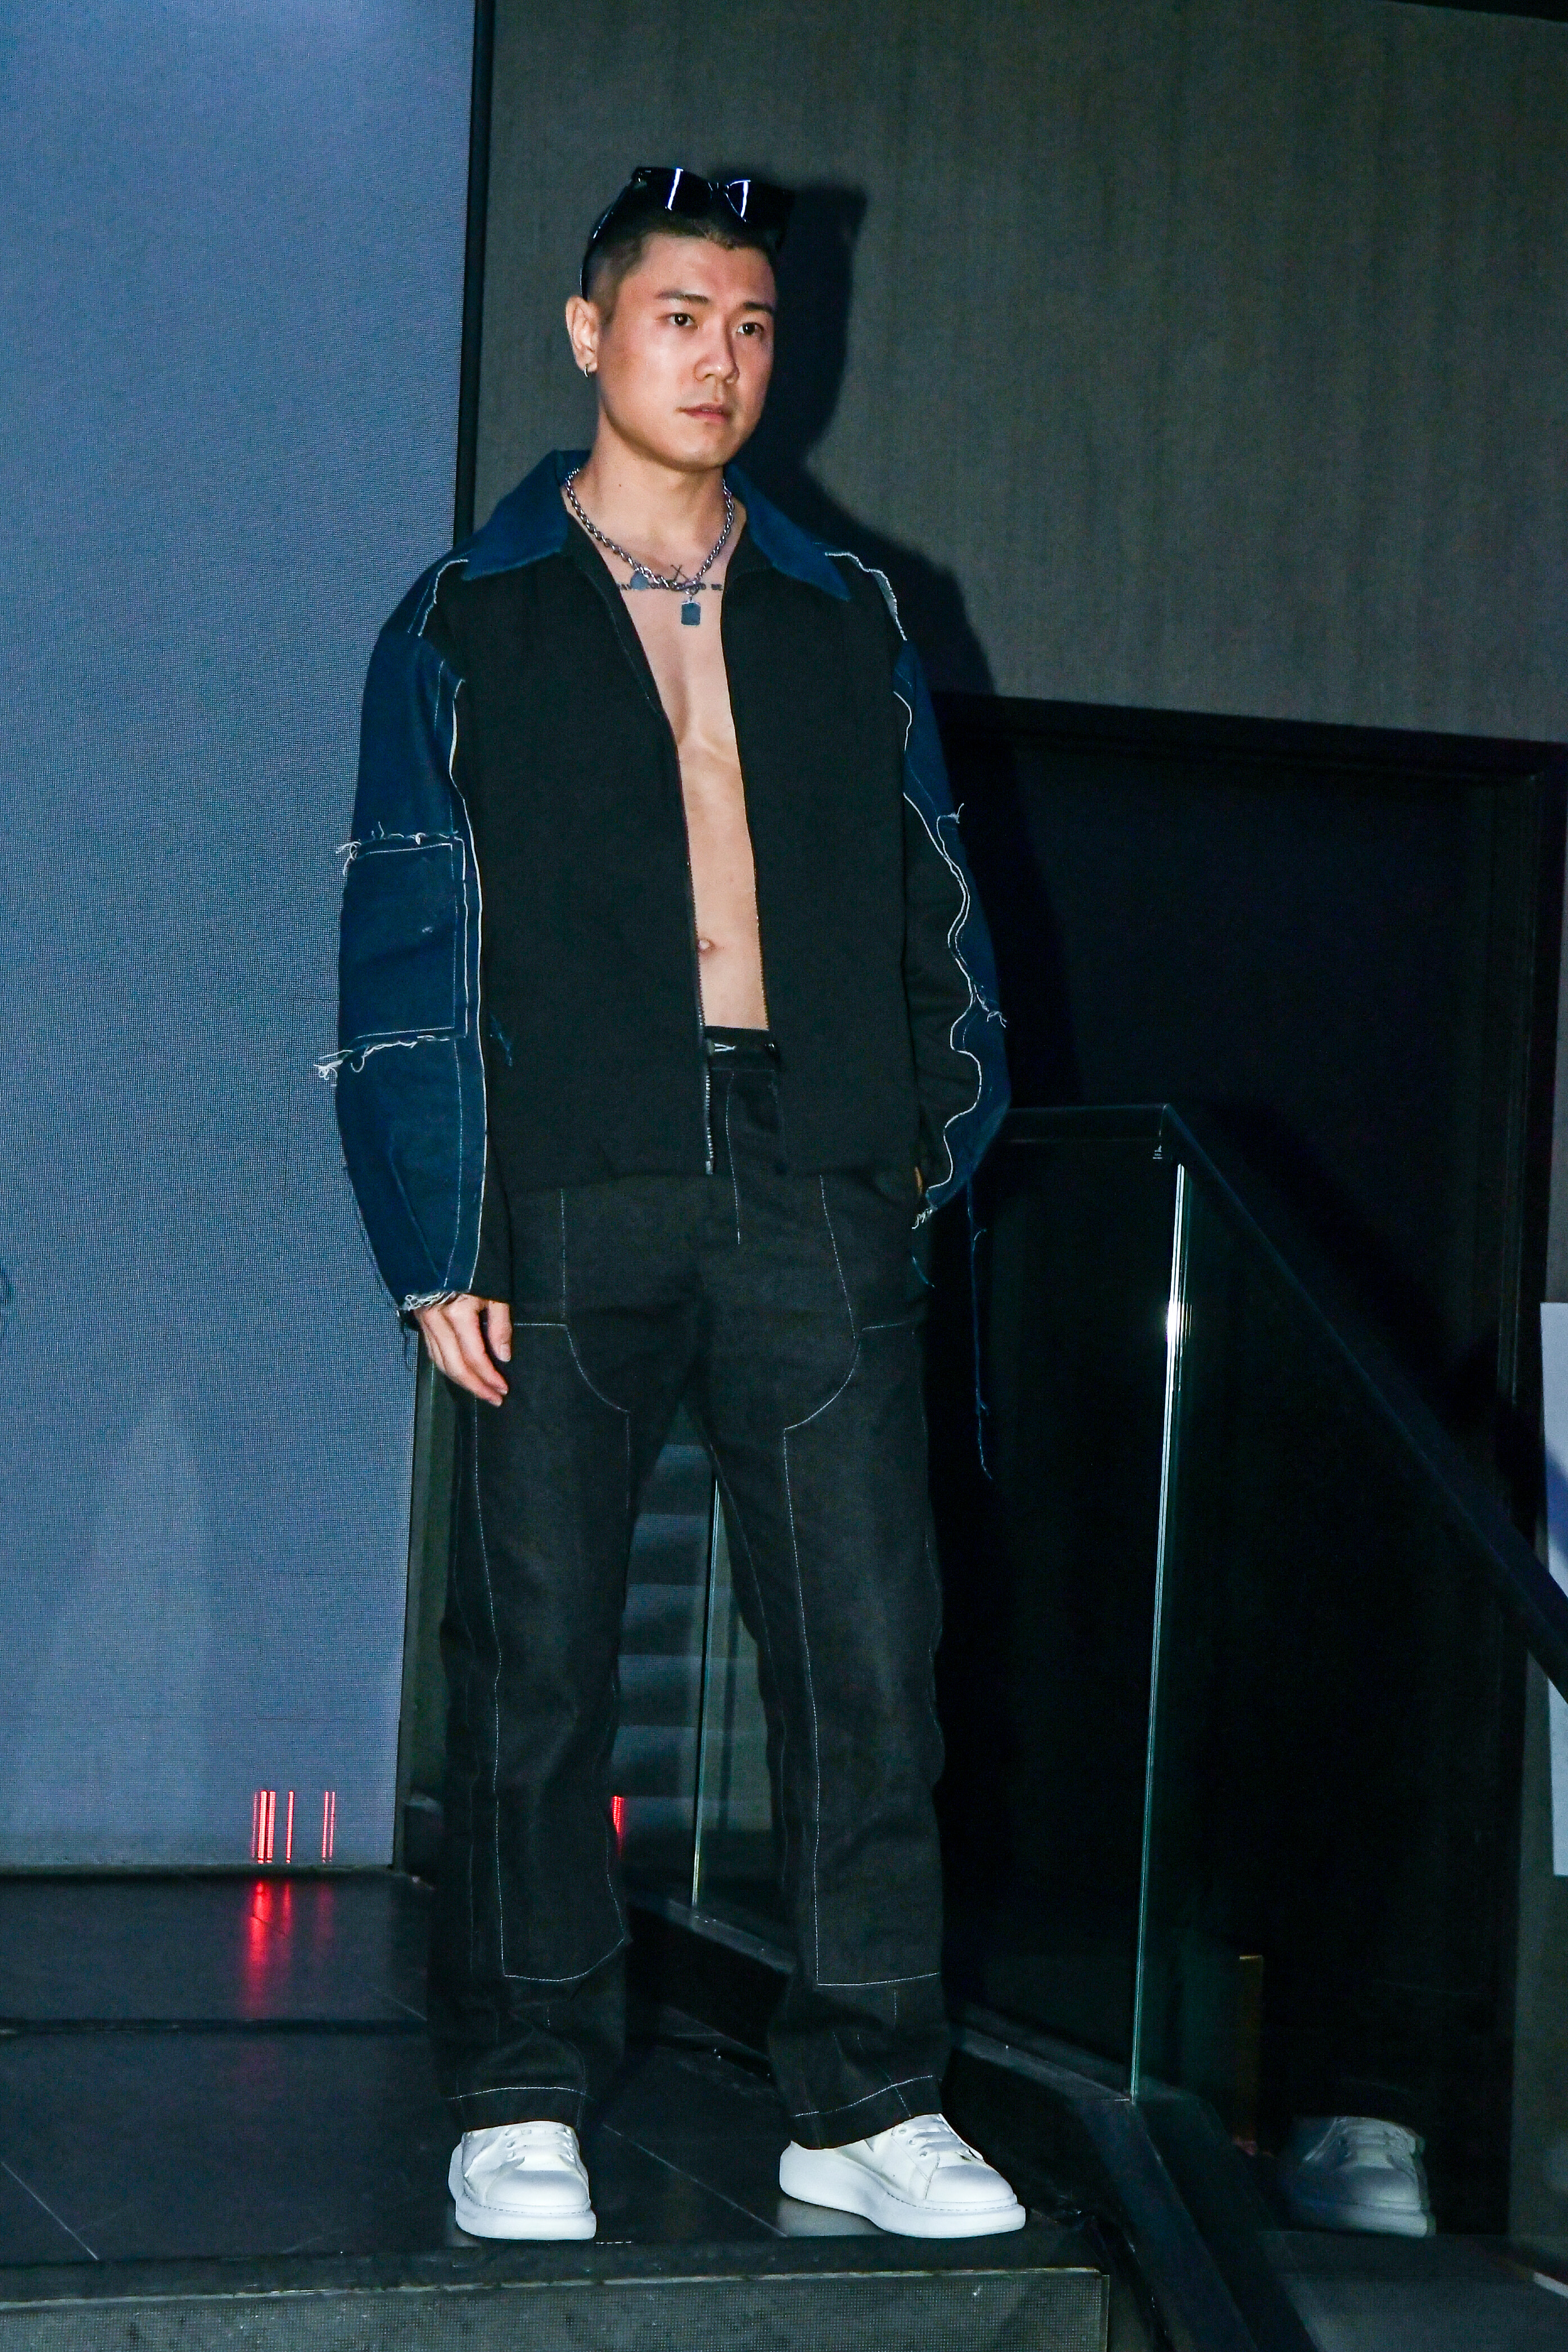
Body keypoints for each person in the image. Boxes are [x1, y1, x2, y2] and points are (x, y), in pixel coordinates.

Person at [332, 165, 1017, 2242]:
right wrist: (436, 1235)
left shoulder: (847, 607)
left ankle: (866, 2098)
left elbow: (936, 898)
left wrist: (923, 1148)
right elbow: (404, 941)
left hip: (814, 1175)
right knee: (540, 1660)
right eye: (678, 318)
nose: (720, 358)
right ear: (588, 334)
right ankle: (523, 2084)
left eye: (752, 325)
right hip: (567, 1180)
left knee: (870, 1660)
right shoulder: (466, 614)